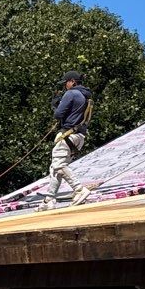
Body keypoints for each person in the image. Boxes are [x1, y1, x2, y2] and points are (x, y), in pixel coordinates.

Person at [45, 71, 94, 210]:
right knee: (55, 167)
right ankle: (49, 199)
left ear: (72, 81)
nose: (65, 86)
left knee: (59, 165)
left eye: (66, 83)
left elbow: (58, 114)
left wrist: (56, 105)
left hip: (68, 134)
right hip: (79, 136)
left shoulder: (71, 93)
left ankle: (79, 189)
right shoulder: (86, 96)